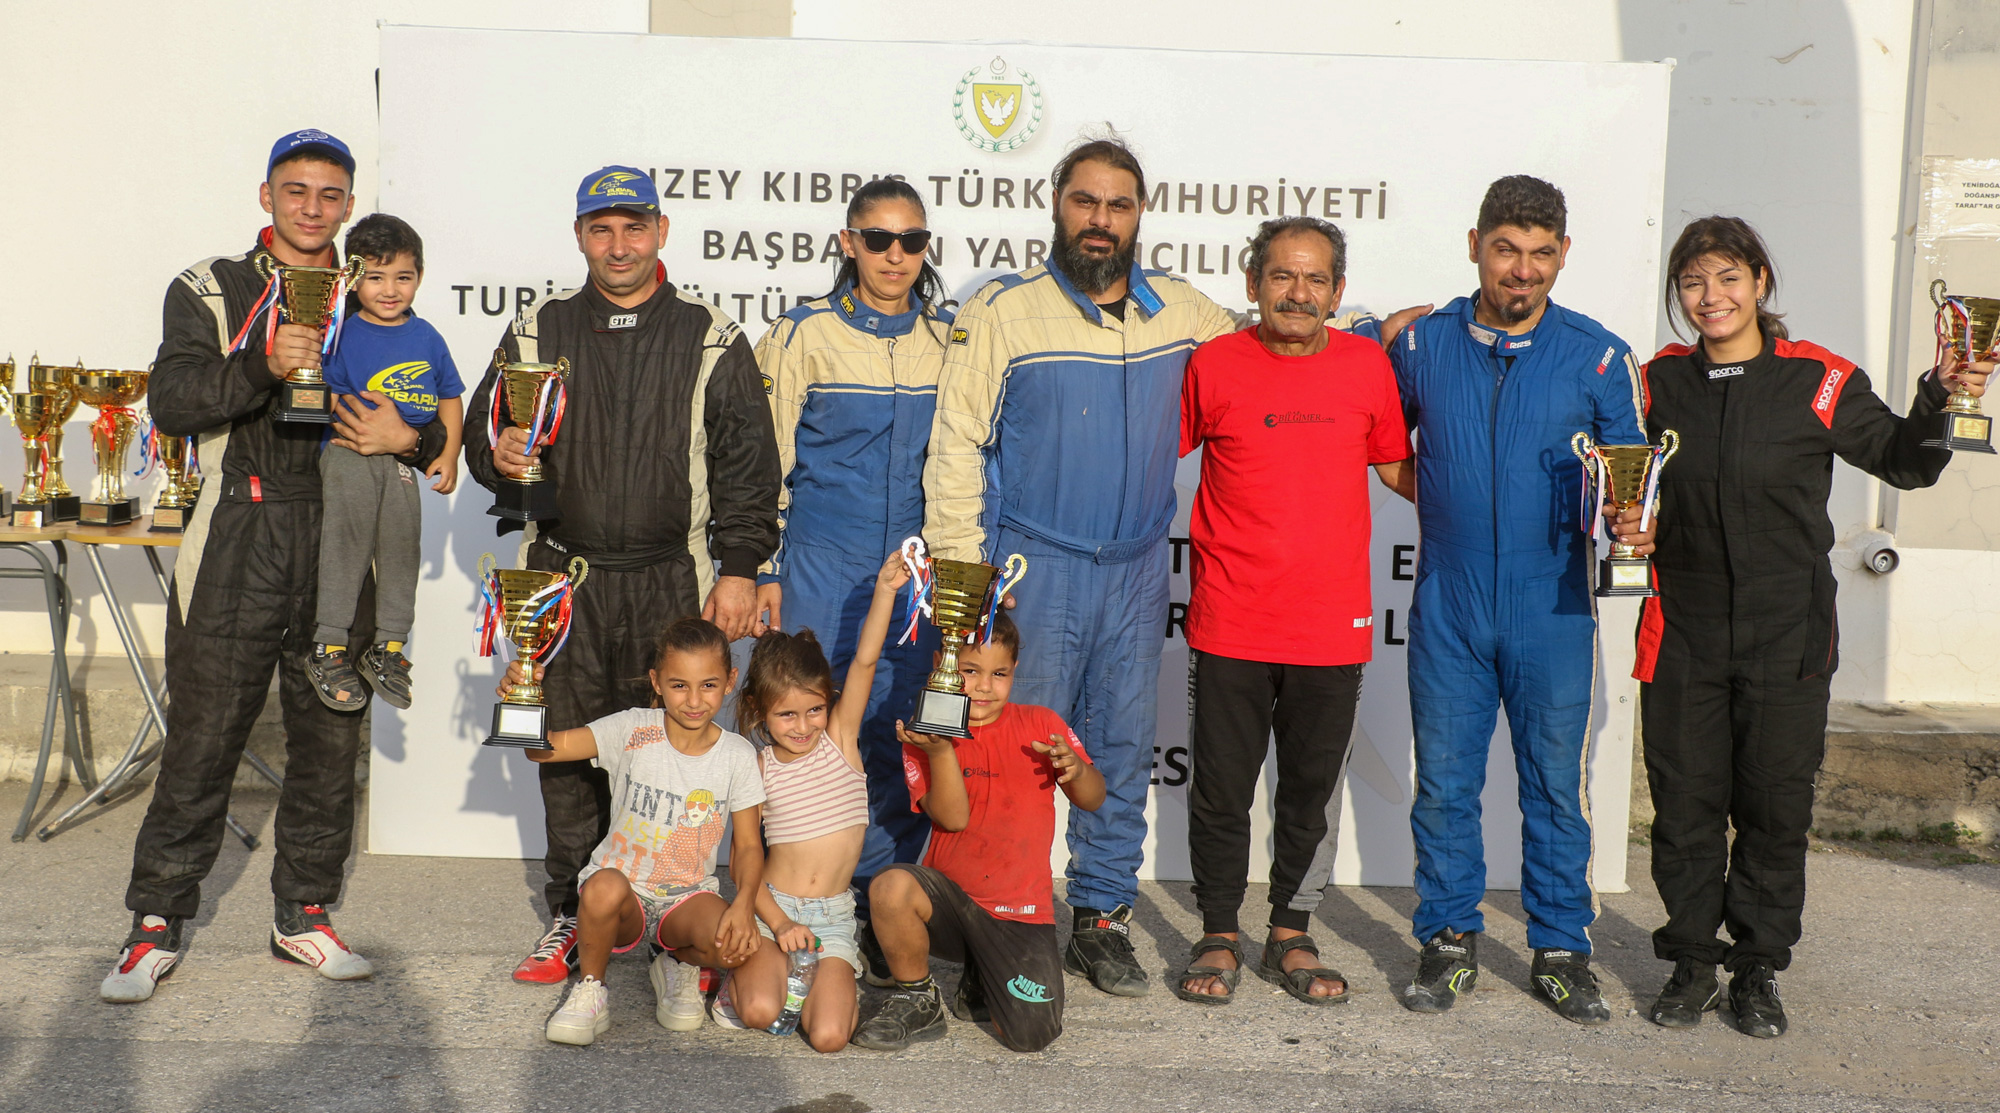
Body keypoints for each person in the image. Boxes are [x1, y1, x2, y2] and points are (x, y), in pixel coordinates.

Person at [102, 130, 453, 1002]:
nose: (312, 208)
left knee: (330, 741)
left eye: (330, 194)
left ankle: (304, 911)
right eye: (296, 190)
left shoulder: (373, 286)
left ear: (349, 203)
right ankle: (155, 922)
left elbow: (431, 411)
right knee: (205, 737)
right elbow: (172, 401)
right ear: (266, 195)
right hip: (241, 529)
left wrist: (414, 441)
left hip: (342, 536)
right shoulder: (211, 286)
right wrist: (263, 363)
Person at [1635, 216, 1990, 1038]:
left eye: (1728, 277)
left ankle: (1757, 967)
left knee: (1773, 808)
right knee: (1685, 807)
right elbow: (1613, 486)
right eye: (1693, 282)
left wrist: (1940, 393)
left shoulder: (1820, 379)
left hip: (1787, 633)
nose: (1711, 296)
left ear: (1761, 281)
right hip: (1683, 627)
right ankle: (1691, 963)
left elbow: (1906, 460)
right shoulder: (1655, 384)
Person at [924, 136, 1237, 997]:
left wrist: (1365, 329)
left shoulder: (1182, 310)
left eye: (1118, 204)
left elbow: (1267, 352)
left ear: (1141, 215)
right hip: (1035, 567)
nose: (1101, 219)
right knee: (1006, 751)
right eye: (1085, 201)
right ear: (1057, 203)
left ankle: (1101, 919)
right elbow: (956, 441)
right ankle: (988, 918)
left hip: (1135, 569)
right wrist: (961, 576)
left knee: (1120, 751)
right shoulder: (1005, 310)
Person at [462, 167, 781, 984]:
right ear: (579, 235)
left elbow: (749, 465)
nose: (618, 246)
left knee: (675, 757)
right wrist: (500, 453)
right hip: (562, 580)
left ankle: (674, 917)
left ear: (661, 231)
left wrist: (740, 569)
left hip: (670, 578)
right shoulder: (538, 328)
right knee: (566, 757)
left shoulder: (710, 332)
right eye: (601, 229)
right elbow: (482, 436)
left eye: (633, 227)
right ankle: (574, 914)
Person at [1389, 175, 1654, 1025]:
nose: (1523, 270)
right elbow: (1381, 442)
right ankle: (1447, 940)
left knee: (1554, 788)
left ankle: (1562, 949)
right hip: (1452, 600)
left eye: (1542, 253)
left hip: (1554, 605)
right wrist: (1444, 497)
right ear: (1476, 246)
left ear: (1564, 254)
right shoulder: (1422, 344)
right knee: (1444, 786)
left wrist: (1631, 519)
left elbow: (1634, 484)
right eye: (1507, 250)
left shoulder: (1600, 355)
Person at [1173, 216, 1414, 1007]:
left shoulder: (1366, 365)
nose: (1298, 292)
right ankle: (1217, 931)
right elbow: (1148, 460)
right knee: (1221, 792)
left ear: (1338, 293)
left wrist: (1500, 508)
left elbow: (1397, 469)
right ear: (1253, 284)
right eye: (1282, 275)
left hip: (1331, 626)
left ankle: (1290, 931)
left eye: (1315, 279)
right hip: (1230, 621)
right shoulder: (1213, 364)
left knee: (1309, 793)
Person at [754, 179, 950, 977]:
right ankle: (790, 906)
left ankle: (879, 906)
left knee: (898, 732)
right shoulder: (803, 333)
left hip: (912, 572)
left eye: (911, 240)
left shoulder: (950, 340)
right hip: (820, 561)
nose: (895, 255)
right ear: (848, 242)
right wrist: (764, 566)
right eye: (878, 239)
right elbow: (763, 457)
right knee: (808, 736)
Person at [510, 617, 777, 1045]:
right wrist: (522, 697)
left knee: (737, 945)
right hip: (624, 895)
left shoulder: (738, 755)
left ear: (730, 681)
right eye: (679, 685)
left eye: (708, 685)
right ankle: (592, 990)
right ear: (656, 682)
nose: (694, 700)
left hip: (687, 898)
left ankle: (676, 964)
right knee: (602, 886)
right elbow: (542, 751)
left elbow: (747, 846)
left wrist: (744, 906)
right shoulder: (632, 728)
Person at [852, 612, 1107, 1053]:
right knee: (890, 886)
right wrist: (942, 752)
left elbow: (1094, 798)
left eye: (999, 674)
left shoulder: (1041, 722)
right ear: (943, 664)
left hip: (1020, 913)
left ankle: (981, 977)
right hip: (951, 909)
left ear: (1015, 671)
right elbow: (952, 819)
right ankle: (918, 998)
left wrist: (1077, 769)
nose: (985, 686)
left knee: (1032, 1036)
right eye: (970, 671)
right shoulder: (925, 733)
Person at [721, 551, 912, 1051]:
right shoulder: (757, 766)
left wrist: (885, 591)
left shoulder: (841, 740)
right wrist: (779, 923)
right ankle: (743, 980)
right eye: (787, 715)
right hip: (772, 909)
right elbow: (743, 860)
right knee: (760, 1012)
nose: (803, 726)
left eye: (814, 710)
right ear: (759, 710)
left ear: (829, 702)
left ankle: (809, 984)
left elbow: (865, 660)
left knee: (829, 1037)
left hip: (833, 917)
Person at [306, 213, 464, 712]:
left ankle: (389, 646)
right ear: (354, 279)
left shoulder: (428, 337)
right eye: (376, 277)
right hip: (351, 455)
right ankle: (329, 645)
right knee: (347, 545)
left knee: (401, 547)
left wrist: (448, 455)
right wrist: (360, 425)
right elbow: (321, 391)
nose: (390, 290)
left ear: (420, 276)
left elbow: (450, 398)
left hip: (399, 459)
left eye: (403, 276)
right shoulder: (342, 333)